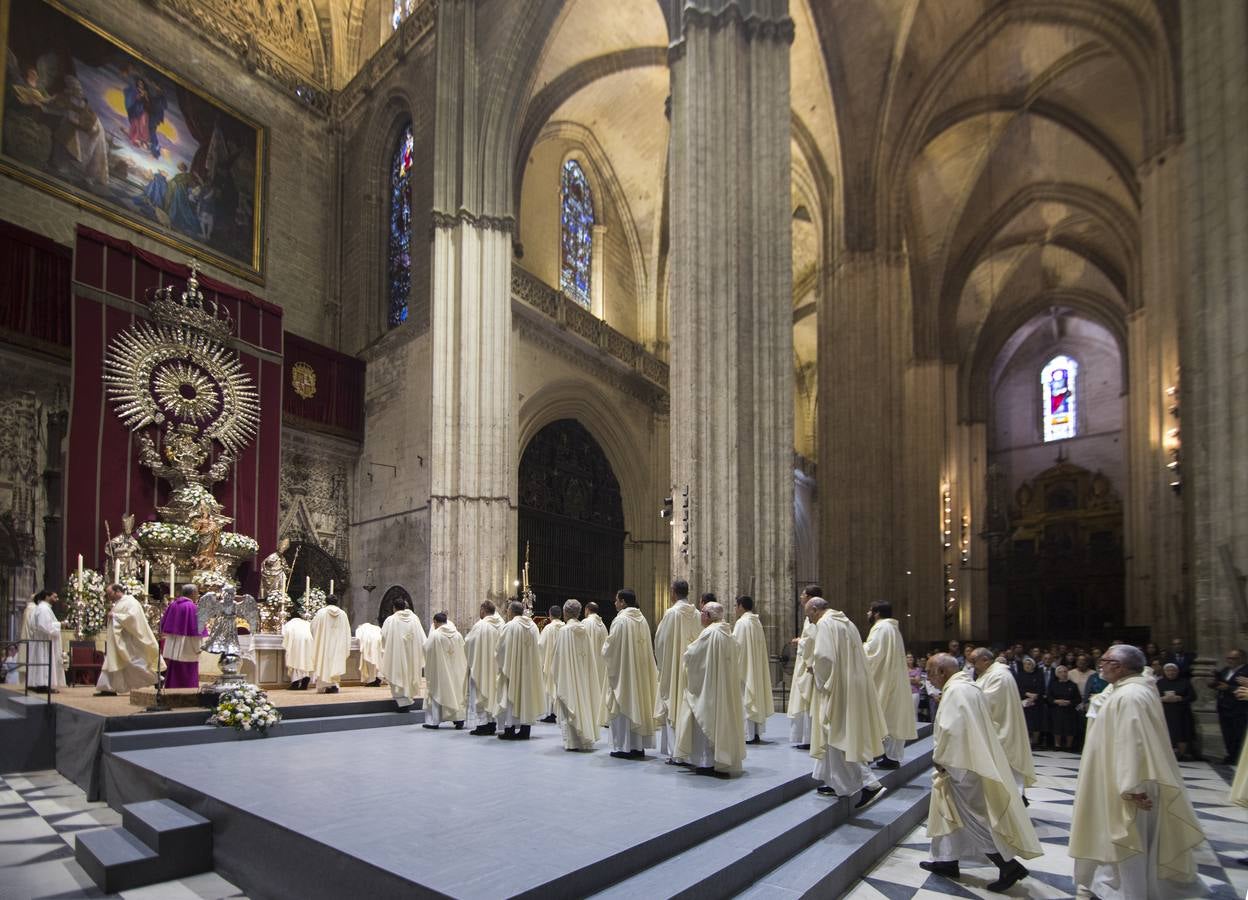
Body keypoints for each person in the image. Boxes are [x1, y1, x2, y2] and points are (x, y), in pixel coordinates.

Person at [1070, 645, 1205, 900]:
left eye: (1105, 660)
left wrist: (1132, 787)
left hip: (1131, 783)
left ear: (1119, 666)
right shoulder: (1129, 688)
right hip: (1122, 777)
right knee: (1118, 838)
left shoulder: (1130, 696)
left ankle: (1130, 893)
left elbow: (1133, 743)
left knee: (1128, 839)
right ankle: (1112, 886)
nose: (1100, 664)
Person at [921, 654, 1040, 892]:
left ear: (942, 671)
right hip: (969, 761)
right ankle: (947, 860)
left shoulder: (956, 691)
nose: (928, 677)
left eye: (930, 672)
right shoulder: (968, 686)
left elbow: (953, 731)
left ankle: (1008, 866)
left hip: (962, 765)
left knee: (972, 818)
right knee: (948, 812)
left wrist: (941, 759)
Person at [808, 597, 887, 808]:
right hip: (852, 684)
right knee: (840, 733)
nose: (810, 620)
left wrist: (816, 673)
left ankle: (869, 784)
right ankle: (832, 781)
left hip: (838, 687)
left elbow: (824, 657)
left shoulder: (825, 624)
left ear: (816, 610)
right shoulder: (846, 622)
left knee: (837, 735)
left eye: (809, 615)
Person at [675, 602, 745, 777]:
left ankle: (706, 763)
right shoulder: (727, 633)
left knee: (705, 720)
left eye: (702, 613)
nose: (700, 616)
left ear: (707, 615)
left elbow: (692, 656)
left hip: (708, 689)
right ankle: (720, 760)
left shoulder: (709, 633)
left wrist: (687, 652)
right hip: (722, 687)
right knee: (721, 721)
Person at [970, 648, 1035, 802]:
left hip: (1003, 731)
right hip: (998, 729)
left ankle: (1016, 803)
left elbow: (987, 701)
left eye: (974, 662)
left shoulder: (999, 675)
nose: (973, 666)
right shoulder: (991, 674)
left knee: (1008, 771)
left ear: (985, 659)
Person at [603, 588, 660, 760]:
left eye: (616, 600)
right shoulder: (642, 620)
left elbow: (611, 648)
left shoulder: (620, 621)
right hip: (639, 672)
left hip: (624, 673)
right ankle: (637, 746)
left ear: (623, 602)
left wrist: (604, 649)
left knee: (624, 706)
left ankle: (623, 747)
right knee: (638, 704)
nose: (614, 603)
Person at [863, 601, 918, 769]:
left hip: (884, 681)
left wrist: (856, 648)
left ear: (877, 613)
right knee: (892, 717)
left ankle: (880, 754)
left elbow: (871, 653)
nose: (867, 614)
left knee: (883, 716)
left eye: (870, 611)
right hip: (894, 679)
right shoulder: (893, 629)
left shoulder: (881, 628)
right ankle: (891, 756)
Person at [655, 578, 702, 763]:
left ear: (673, 592)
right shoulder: (697, 613)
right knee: (687, 706)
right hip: (692, 667)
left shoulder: (671, 613)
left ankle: (677, 754)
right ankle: (689, 751)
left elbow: (660, 640)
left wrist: (662, 664)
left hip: (675, 666)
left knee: (673, 704)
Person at [549, 599, 601, 751]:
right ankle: (584, 738)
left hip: (568, 676)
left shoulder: (565, 631)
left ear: (566, 612)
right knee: (582, 702)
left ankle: (572, 742)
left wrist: (555, 671)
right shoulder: (583, 630)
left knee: (570, 701)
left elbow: (558, 657)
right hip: (582, 674)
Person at [95, 583, 159, 696]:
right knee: (113, 662)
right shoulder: (120, 603)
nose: (108, 596)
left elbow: (133, 618)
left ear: (117, 591)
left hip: (128, 641)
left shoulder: (131, 602)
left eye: (110, 594)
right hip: (118, 640)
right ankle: (108, 688)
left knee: (133, 664)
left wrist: (114, 616)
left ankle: (156, 679)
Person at [493, 600, 543, 740]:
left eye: (508, 610)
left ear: (511, 611)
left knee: (512, 696)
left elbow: (501, 649)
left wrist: (500, 662)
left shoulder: (510, 626)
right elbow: (538, 647)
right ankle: (525, 730)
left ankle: (509, 730)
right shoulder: (533, 626)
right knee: (526, 698)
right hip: (529, 670)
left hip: (513, 669)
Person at [732, 596, 773, 745]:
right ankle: (755, 733)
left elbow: (737, 647)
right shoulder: (756, 622)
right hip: (754, 667)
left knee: (745, 698)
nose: (735, 609)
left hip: (745, 668)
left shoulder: (742, 623)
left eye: (735, 605)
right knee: (754, 697)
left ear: (741, 606)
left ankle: (747, 734)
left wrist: (733, 665)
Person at [786, 585, 823, 748]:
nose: (800, 598)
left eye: (802, 595)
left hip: (810, 664)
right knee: (803, 700)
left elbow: (813, 640)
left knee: (808, 701)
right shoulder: (810, 617)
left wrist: (799, 642)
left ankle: (808, 739)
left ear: (809, 597)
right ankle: (805, 738)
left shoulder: (815, 617)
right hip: (805, 661)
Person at [422, 612, 467, 730]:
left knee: (438, 692)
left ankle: (434, 721)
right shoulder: (457, 635)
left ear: (435, 622)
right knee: (456, 693)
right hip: (457, 671)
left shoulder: (435, 635)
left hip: (440, 671)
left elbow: (427, 649)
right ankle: (459, 719)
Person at [465, 600, 504, 735]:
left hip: (481, 666)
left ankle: (482, 725)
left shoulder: (480, 625)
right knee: (494, 693)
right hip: (497, 667)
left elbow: (468, 642)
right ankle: (492, 723)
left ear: (483, 610)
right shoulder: (502, 624)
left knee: (480, 692)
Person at [379, 597, 425, 709]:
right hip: (412, 654)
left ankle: (402, 701)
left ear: (394, 608)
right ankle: (408, 697)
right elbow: (422, 638)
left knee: (397, 673)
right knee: (410, 673)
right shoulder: (415, 619)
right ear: (405, 607)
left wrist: (388, 647)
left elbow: (384, 636)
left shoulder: (391, 620)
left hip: (397, 654)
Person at [159, 584, 203, 690]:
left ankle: (171, 687)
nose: (197, 595)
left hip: (173, 642)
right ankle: (189, 690)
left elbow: (165, 624)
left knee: (174, 667)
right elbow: (196, 629)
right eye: (197, 593)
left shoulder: (173, 604)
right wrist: (199, 646)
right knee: (187, 668)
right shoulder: (192, 607)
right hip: (188, 644)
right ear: (193, 593)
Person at [1210, 648, 1248, 763]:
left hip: (1239, 708)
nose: (1230, 661)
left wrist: (1229, 688)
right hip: (1224, 706)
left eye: (1233, 658)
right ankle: (1231, 755)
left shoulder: (1246, 671)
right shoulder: (1225, 670)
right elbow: (1221, 683)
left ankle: (1239, 757)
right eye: (1228, 658)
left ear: (1241, 658)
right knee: (1228, 733)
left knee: (1239, 733)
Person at [309, 594, 351, 694]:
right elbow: (347, 631)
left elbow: (313, 627)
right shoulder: (343, 614)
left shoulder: (321, 613)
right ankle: (334, 685)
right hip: (338, 644)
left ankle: (325, 685)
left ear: (326, 602)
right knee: (335, 662)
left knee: (323, 662)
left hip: (324, 644)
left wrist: (319, 637)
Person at [1156, 662, 1197, 760]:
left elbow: (1193, 696)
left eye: (1173, 670)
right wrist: (1162, 699)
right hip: (1165, 712)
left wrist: (1180, 698)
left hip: (1181, 712)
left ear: (1177, 671)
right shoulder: (1159, 683)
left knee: (1182, 733)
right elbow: (1153, 696)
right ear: (1164, 672)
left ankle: (1181, 754)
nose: (1171, 672)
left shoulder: (1185, 682)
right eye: (1168, 670)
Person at [538, 604, 564, 723]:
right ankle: (560, 711)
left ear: (550, 615)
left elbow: (541, 645)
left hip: (550, 662)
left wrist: (540, 661)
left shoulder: (548, 628)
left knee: (550, 685)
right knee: (560, 686)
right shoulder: (565, 627)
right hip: (562, 662)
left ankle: (551, 713)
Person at [581, 600, 609, 713]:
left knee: (589, 688)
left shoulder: (585, 623)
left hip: (588, 662)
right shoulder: (603, 625)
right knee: (600, 686)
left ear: (587, 610)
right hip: (601, 662)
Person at [1046, 665, 1081, 752]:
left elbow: (1078, 699)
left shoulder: (1073, 685)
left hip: (1069, 709)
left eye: (1065, 672)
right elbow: (1049, 697)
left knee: (1069, 727)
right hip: (1056, 709)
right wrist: (1056, 701)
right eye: (1060, 672)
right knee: (1057, 727)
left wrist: (1069, 702)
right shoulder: (1053, 684)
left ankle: (1068, 746)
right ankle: (1057, 745)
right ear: (1057, 674)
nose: (1063, 674)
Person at [1015, 657, 1045, 747]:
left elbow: (1041, 687)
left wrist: (1034, 696)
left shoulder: (1039, 675)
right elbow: (1017, 688)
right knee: (1025, 722)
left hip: (1036, 702)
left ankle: (1035, 742)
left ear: (1033, 665)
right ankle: (1026, 741)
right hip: (1023, 701)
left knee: (1036, 723)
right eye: (1025, 664)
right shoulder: (1019, 675)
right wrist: (1027, 694)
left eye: (1029, 664)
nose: (1027, 666)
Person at [282, 611, 314, 690]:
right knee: (307, 660)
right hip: (309, 641)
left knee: (296, 660)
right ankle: (305, 681)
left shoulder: (289, 624)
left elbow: (285, 634)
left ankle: (295, 683)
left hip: (297, 641)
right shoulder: (306, 623)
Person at [355, 620, 383, 686]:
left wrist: (361, 647)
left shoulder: (360, 629)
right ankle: (377, 678)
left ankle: (372, 680)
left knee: (370, 664)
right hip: (378, 644)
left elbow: (358, 638)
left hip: (369, 646)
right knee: (378, 662)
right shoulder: (376, 628)